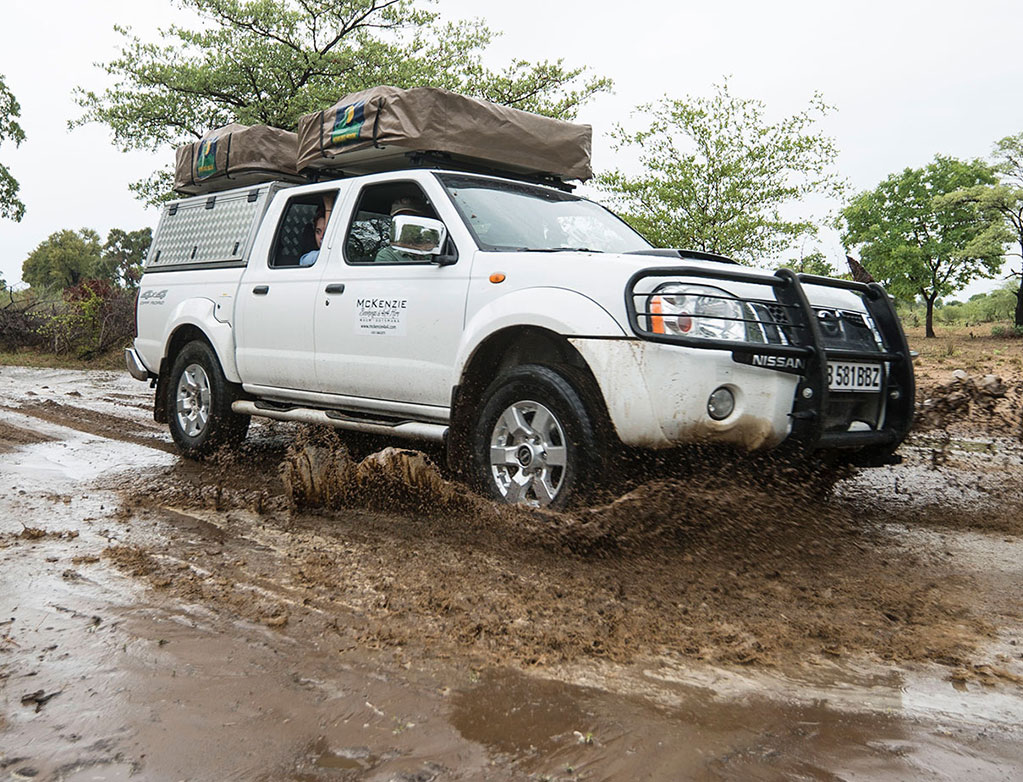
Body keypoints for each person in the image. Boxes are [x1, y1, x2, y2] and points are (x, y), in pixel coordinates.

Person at [374, 197, 436, 263]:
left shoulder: (435, 249)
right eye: (401, 219)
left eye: (412, 218)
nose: (406, 224)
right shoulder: (387, 255)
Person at [298, 193, 335, 267]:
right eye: (318, 231)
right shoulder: (308, 258)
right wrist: (328, 208)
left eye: (325, 232)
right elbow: (327, 254)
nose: (322, 236)